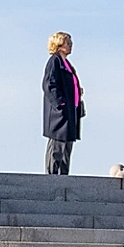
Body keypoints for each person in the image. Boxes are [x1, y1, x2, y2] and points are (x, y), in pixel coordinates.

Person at [41, 32, 85, 176]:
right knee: (57, 147)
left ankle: (64, 176)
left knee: (67, 147)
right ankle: (51, 176)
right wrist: (60, 104)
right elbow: (49, 84)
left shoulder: (67, 64)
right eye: (67, 42)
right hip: (60, 114)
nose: (70, 45)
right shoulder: (54, 61)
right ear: (59, 44)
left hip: (71, 112)